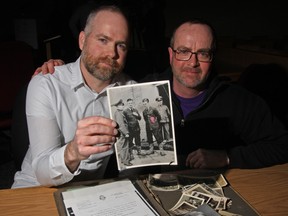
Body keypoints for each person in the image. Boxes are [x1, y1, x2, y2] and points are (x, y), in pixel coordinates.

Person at [33, 19, 288, 171]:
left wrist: (227, 157)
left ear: (212, 57)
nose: (193, 62)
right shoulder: (138, 90)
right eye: (184, 51)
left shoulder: (238, 100)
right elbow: (99, 74)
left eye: (203, 53)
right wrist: (61, 69)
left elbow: (282, 145)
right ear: (170, 54)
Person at [11, 5, 135, 188]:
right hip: (36, 190)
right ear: (82, 40)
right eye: (103, 40)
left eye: (121, 45)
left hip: (91, 194)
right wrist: (73, 151)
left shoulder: (132, 91)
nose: (111, 53)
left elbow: (134, 164)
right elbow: (42, 173)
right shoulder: (47, 83)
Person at [111, 99, 132, 166]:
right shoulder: (119, 113)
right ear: (117, 106)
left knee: (123, 146)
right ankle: (126, 161)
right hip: (122, 133)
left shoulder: (119, 112)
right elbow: (121, 124)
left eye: (122, 105)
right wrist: (126, 133)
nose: (122, 106)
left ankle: (123, 160)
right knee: (125, 147)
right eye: (120, 105)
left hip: (121, 133)